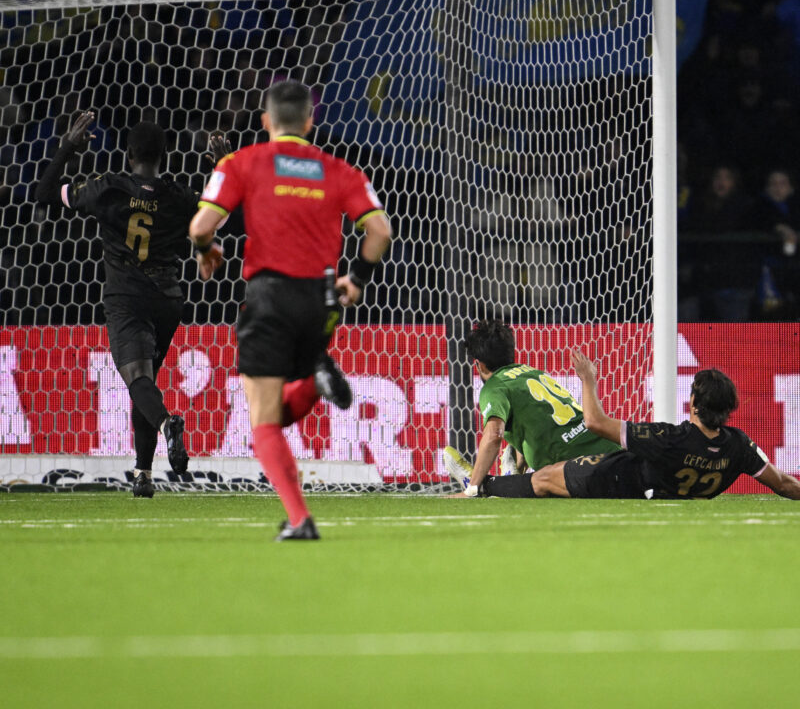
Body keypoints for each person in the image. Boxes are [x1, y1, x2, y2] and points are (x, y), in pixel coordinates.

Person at [189, 80, 392, 541]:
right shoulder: (339, 170)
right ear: (309, 121)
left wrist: (206, 250)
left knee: (262, 422)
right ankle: (316, 381)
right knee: (273, 414)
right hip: (322, 301)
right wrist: (356, 279)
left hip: (269, 297)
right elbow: (379, 230)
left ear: (265, 122)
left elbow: (201, 225)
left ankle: (300, 520)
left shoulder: (243, 162)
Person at [35, 112, 227, 497]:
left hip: (126, 296)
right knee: (146, 382)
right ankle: (143, 473)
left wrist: (69, 147)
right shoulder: (179, 197)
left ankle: (168, 424)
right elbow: (230, 217)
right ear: (165, 156)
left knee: (137, 378)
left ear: (127, 154)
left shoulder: (109, 188)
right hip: (167, 298)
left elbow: (44, 193)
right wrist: (223, 166)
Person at [469, 348, 800, 501]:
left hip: (620, 479)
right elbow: (784, 484)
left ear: (694, 403)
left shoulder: (669, 437)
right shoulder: (739, 446)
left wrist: (588, 380)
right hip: (666, 492)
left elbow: (595, 422)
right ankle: (505, 474)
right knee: (546, 478)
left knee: (543, 479)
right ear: (730, 409)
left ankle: (482, 486)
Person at [443, 320, 620, 497]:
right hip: (613, 452)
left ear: (479, 364)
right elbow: (538, 425)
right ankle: (508, 477)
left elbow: (494, 435)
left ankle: (477, 484)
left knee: (539, 482)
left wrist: (471, 490)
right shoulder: (533, 372)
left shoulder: (495, 386)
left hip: (580, 466)